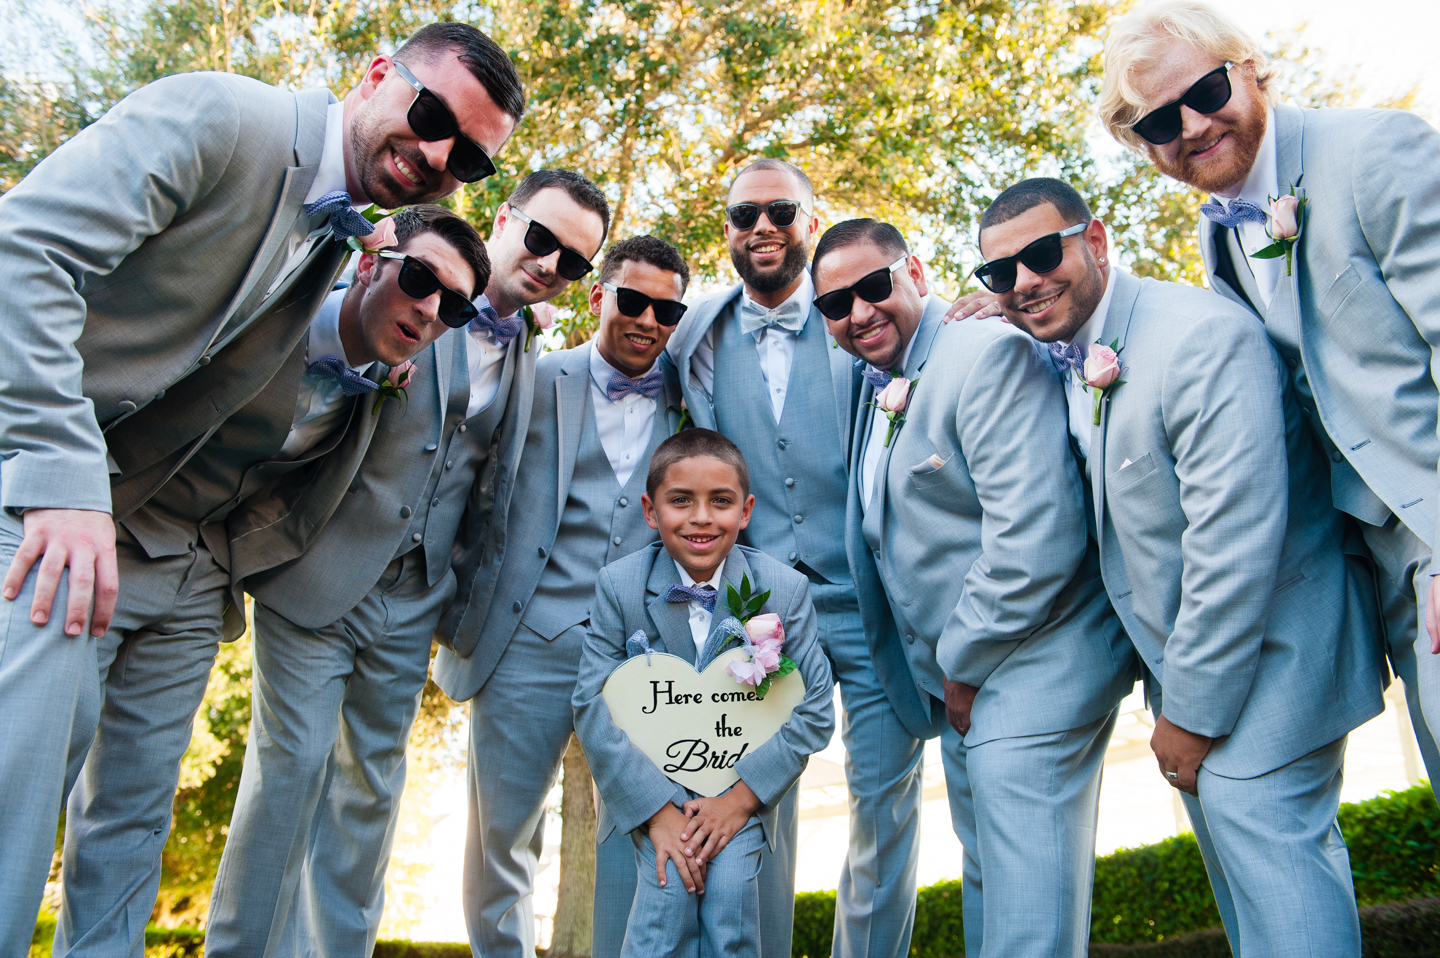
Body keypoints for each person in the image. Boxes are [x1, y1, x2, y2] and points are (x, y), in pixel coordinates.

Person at [0, 20, 523, 948]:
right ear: (375, 75)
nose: (439, 155)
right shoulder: (222, 116)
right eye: (431, 113)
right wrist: (62, 484)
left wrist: (218, 561)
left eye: (470, 161)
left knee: (130, 825)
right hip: (59, 507)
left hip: (187, 563)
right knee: (21, 782)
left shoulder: (338, 240)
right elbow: (22, 254)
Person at [54, 204, 491, 956]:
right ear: (367, 262)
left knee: (133, 810)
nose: (428, 308)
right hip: (101, 532)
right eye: (418, 278)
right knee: (29, 775)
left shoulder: (385, 375)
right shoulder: (267, 301)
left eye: (450, 305)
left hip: (201, 579)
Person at [203, 170, 610, 957]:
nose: (552, 264)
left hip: (415, 602)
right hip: (317, 579)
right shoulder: (412, 285)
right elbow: (305, 374)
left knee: (369, 803)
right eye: (542, 239)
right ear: (504, 217)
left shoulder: (528, 341)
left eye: (574, 262)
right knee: (288, 783)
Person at [976, 176, 1386, 956]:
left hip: (1276, 657)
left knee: (1286, 899)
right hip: (1203, 675)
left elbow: (1233, 545)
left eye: (1039, 254)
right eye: (1000, 273)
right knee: (1255, 919)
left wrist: (1189, 714)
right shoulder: (1066, 351)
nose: (1023, 282)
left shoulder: (1195, 336)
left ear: (1094, 242)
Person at [1098, 0, 1440, 798]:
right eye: (1157, 123)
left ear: (1251, 70)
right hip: (1371, 566)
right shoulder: (1219, 236)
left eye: (1205, 92)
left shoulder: (1374, 150)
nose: (1189, 126)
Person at [814, 217, 1136, 958]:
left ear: (916, 274)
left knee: (1028, 923)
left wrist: (959, 663)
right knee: (992, 885)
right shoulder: (881, 381)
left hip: (1032, 666)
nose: (858, 312)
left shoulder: (982, 352)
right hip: (963, 688)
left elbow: (1035, 538)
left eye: (873, 287)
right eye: (836, 304)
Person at [663, 159, 932, 958]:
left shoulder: (864, 315)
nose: (763, 227)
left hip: (868, 599)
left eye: (781, 211)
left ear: (810, 222)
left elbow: (935, 338)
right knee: (748, 810)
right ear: (728, 233)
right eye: (746, 215)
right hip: (759, 616)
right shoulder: (696, 334)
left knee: (882, 808)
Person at [431, 234, 689, 958]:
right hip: (524, 643)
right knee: (501, 841)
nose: (647, 320)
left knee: (638, 837)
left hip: (641, 656)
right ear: (600, 296)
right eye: (633, 301)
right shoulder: (536, 377)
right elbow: (465, 481)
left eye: (666, 311)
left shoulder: (690, 395)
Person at [572, 428, 835, 958]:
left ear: (746, 510)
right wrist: (660, 812)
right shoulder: (620, 586)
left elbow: (814, 711)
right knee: (662, 908)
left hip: (740, 797)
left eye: (720, 501)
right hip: (650, 796)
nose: (700, 517)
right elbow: (592, 706)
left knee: (731, 904)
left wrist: (736, 804)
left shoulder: (783, 589)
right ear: (650, 511)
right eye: (680, 501)